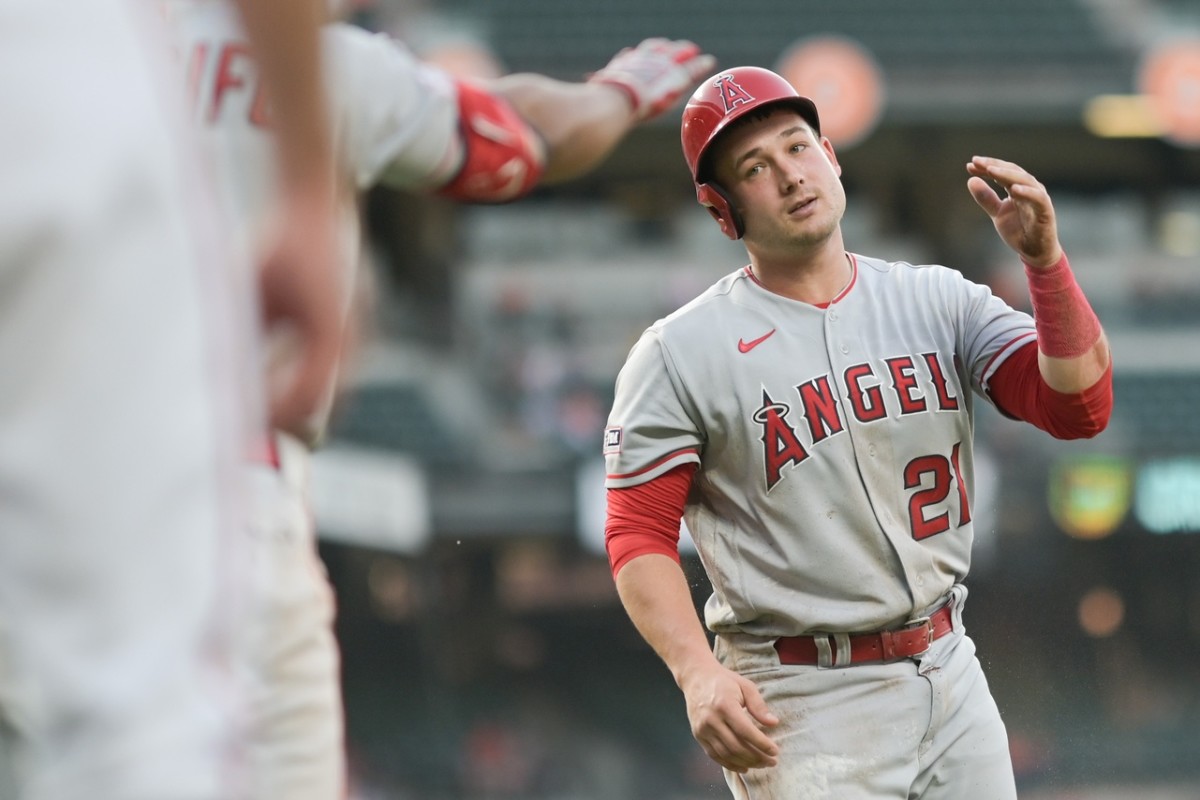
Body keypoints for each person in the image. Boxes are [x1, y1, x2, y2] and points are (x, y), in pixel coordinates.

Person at [162, 3, 716, 797]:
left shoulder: (46, 54)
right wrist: (619, 92)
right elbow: (529, 140)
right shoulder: (321, 68)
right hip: (245, 512)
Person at [602, 66, 1113, 799]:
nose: (790, 175)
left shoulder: (937, 299)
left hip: (949, 665)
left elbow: (1079, 408)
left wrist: (1045, 265)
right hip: (802, 697)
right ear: (722, 211)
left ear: (831, 157)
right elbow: (637, 533)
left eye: (797, 146)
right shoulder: (679, 353)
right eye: (755, 167)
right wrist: (696, 671)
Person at [0, 0, 343, 798]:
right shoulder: (359, 71)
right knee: (132, 722)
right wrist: (306, 188)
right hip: (57, 64)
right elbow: (531, 131)